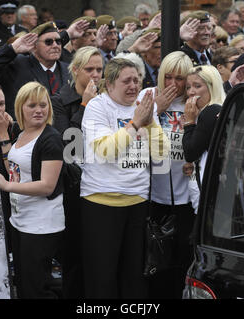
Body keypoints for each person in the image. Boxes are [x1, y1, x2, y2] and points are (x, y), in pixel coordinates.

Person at [80, 58, 169, 298]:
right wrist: (135, 123)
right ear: (109, 85)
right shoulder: (97, 107)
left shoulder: (143, 106)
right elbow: (105, 151)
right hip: (101, 203)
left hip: (137, 202)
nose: (133, 85)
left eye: (137, 80)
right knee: (102, 276)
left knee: (134, 277)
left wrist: (149, 123)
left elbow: (161, 153)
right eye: (126, 81)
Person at [0, 82, 65, 299]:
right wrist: (3, 136)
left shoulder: (51, 138)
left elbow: (47, 185)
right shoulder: (23, 134)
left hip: (42, 225)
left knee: (36, 288)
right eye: (32, 105)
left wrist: (7, 186)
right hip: (20, 221)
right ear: (20, 107)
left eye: (43, 105)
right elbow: (13, 169)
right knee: (24, 284)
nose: (39, 110)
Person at [138, 51, 195, 299]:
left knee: (182, 261)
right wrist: (156, 110)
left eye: (180, 78)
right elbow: (133, 136)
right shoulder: (147, 96)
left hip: (185, 198)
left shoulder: (194, 101)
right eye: (168, 77)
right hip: (152, 195)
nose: (173, 84)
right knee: (155, 263)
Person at [51, 46, 103, 299]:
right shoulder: (59, 101)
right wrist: (85, 105)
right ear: (75, 70)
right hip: (73, 188)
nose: (95, 75)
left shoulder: (107, 98)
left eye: (99, 69)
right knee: (74, 255)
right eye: (89, 69)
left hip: (102, 182)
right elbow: (69, 146)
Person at [0, 23, 70, 118]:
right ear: (34, 46)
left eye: (58, 41)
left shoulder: (69, 69)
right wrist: (12, 49)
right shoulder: (18, 64)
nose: (55, 45)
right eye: (48, 42)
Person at [182, 65, 226, 210]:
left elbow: (190, 152)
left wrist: (189, 122)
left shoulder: (210, 111)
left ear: (212, 86)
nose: (191, 92)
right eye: (188, 87)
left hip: (209, 191)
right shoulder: (222, 107)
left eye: (197, 86)